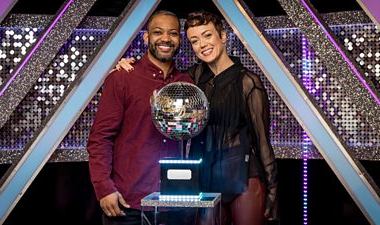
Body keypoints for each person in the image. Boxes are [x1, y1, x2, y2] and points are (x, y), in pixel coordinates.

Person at [115, 10, 279, 225]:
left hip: (243, 176)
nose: (202, 44)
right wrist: (126, 64)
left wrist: (273, 191)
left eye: (207, 35)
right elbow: (162, 78)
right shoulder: (191, 78)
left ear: (222, 36)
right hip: (204, 177)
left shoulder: (248, 82)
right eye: (194, 40)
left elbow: (262, 141)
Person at [87, 10, 193, 225]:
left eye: (173, 33)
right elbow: (100, 138)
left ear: (180, 39)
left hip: (173, 205)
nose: (165, 38)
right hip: (127, 204)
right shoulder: (122, 78)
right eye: (157, 32)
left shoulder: (187, 84)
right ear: (146, 38)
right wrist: (104, 188)